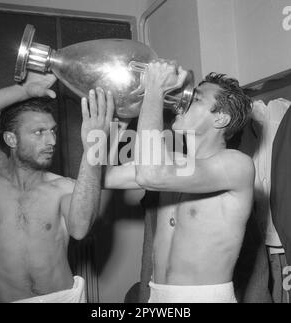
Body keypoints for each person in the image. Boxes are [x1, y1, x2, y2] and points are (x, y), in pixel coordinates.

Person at [103, 61, 255, 303]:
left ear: (221, 119)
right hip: (158, 296)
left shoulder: (236, 165)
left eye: (196, 99)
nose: (182, 103)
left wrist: (154, 91)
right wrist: (118, 121)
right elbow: (104, 176)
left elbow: (151, 175)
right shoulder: (172, 161)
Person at [0, 72, 114, 303]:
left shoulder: (62, 188)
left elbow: (80, 228)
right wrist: (22, 91)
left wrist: (93, 148)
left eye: (53, 131)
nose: (52, 141)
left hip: (62, 298)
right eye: (39, 132)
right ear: (11, 139)